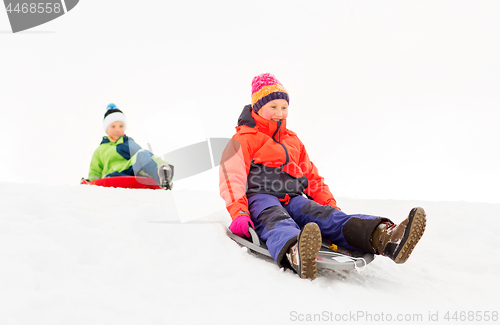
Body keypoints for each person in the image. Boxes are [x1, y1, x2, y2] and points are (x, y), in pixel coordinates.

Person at [219, 73, 426, 280]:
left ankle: (386, 238)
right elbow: (232, 179)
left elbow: (312, 177)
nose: (279, 113)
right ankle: (297, 251)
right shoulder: (244, 139)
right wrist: (239, 214)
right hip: (261, 197)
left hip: (293, 197)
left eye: (284, 107)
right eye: (272, 107)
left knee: (327, 217)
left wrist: (329, 204)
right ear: (257, 107)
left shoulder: (293, 141)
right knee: (277, 221)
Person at [87, 103, 174, 189]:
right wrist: (90, 182)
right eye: (113, 126)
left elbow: (145, 158)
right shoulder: (100, 150)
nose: (117, 129)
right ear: (106, 129)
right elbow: (95, 171)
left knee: (143, 154)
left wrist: (159, 166)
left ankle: (163, 174)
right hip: (112, 176)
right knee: (141, 155)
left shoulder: (129, 143)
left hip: (130, 171)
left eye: (121, 126)